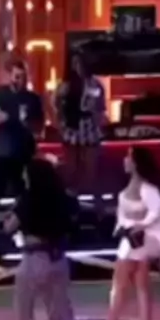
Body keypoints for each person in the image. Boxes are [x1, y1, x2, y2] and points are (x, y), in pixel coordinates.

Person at [3, 157, 82, 320]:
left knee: (24, 310)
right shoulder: (65, 198)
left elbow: (9, 227)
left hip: (33, 260)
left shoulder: (27, 200)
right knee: (61, 314)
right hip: (59, 260)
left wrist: (8, 218)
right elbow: (74, 222)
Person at [96, 147, 160, 320]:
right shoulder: (126, 191)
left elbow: (157, 209)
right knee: (139, 284)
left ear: (136, 163)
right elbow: (121, 216)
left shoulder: (148, 190)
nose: (125, 160)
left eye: (128, 157)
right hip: (130, 241)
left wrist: (141, 224)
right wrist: (124, 228)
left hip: (140, 242)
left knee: (121, 284)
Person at [0, 57, 44, 245]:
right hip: (2, 151)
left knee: (22, 194)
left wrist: (27, 123)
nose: (19, 80)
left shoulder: (33, 99)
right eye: (16, 76)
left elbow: (39, 126)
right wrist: (1, 119)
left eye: (22, 77)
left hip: (23, 152)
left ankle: (19, 230)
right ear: (10, 76)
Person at [53, 52, 107, 210]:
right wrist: (60, 123)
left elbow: (100, 107)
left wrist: (99, 122)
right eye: (74, 63)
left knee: (92, 170)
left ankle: (97, 206)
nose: (77, 67)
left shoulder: (95, 84)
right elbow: (55, 103)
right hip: (72, 129)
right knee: (72, 169)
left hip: (90, 129)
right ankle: (70, 203)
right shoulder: (66, 86)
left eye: (79, 63)